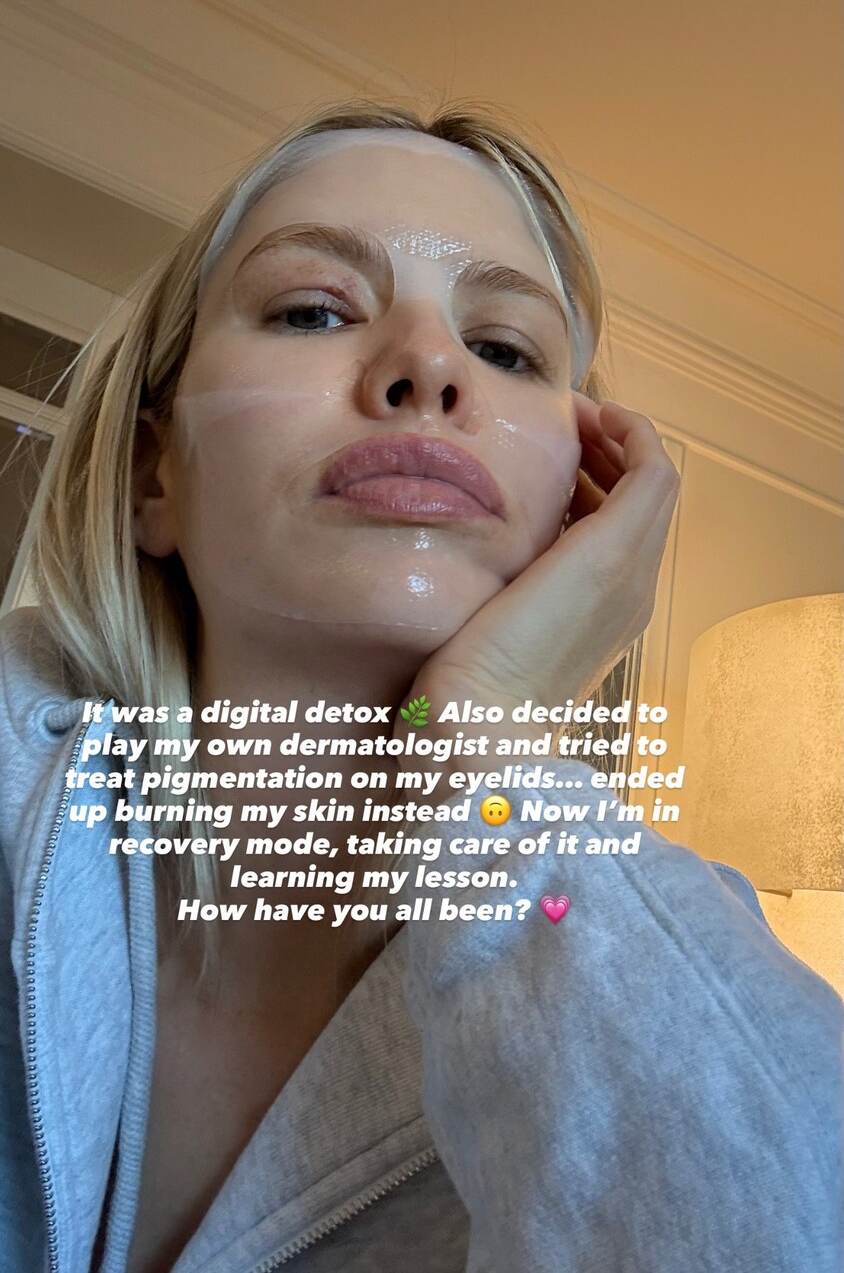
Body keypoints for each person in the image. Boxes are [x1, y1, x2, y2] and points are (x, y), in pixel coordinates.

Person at [0, 101, 840, 1273]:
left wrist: (479, 744)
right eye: (313, 310)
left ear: (576, 507)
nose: (431, 365)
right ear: (155, 473)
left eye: (505, 350)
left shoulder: (643, 953)